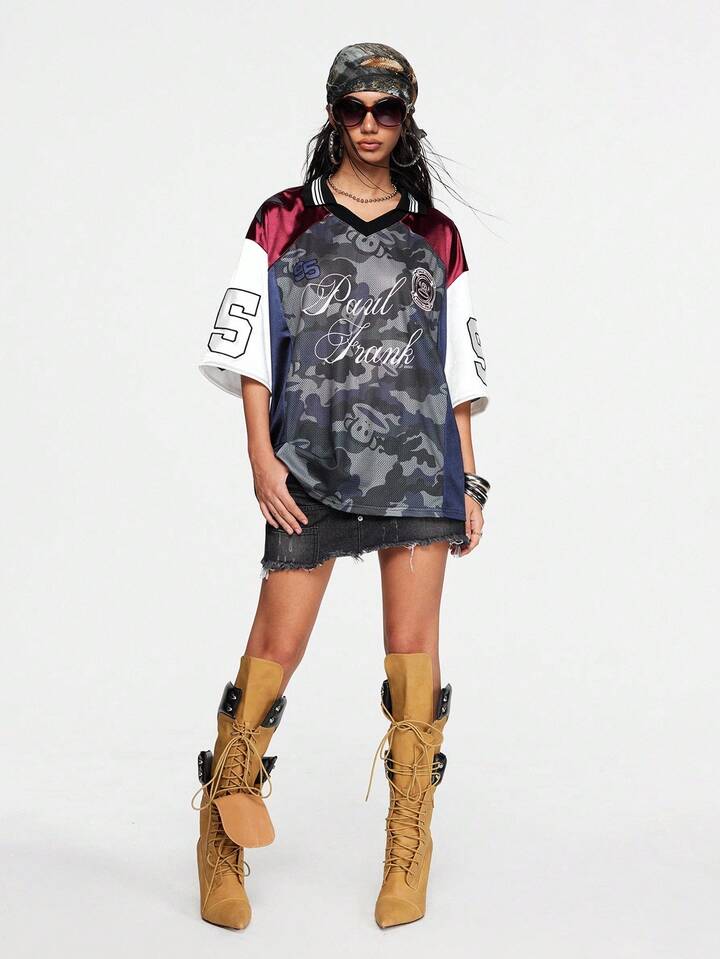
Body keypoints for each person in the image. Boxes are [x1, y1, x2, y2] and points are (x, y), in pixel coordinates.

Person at [191, 41, 491, 931]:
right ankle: (219, 830)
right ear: (333, 114)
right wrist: (261, 456)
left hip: (419, 466)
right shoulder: (284, 219)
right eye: (354, 109)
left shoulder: (437, 237)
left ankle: (409, 842)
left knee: (413, 656)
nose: (369, 125)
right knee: (273, 648)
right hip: (311, 462)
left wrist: (470, 476)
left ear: (405, 119)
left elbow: (457, 366)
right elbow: (250, 350)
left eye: (385, 110)